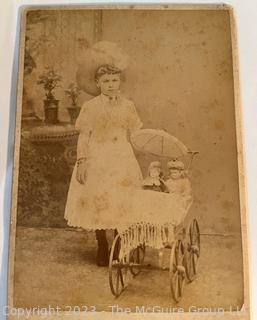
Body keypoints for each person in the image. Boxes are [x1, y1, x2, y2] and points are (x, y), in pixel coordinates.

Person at [64, 45, 143, 266]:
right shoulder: (90, 107)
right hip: (97, 156)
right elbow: (84, 136)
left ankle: (118, 243)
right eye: (106, 81)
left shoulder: (128, 106)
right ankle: (102, 243)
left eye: (115, 80)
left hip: (121, 156)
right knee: (98, 199)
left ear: (120, 82)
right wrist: (82, 161)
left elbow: (136, 133)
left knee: (119, 198)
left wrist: (149, 144)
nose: (111, 85)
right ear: (98, 84)